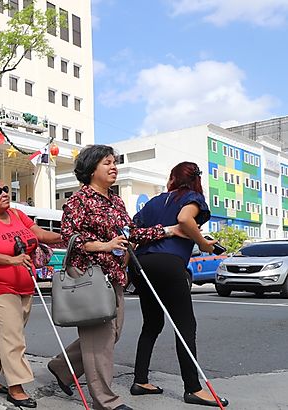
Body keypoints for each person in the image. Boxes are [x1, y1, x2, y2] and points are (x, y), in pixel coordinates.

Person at [47, 144, 182, 410]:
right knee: (100, 341)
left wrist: (170, 230)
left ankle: (62, 366)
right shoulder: (78, 201)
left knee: (112, 334)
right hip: (89, 276)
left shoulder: (116, 201)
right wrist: (104, 245)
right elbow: (70, 237)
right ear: (90, 168)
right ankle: (105, 401)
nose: (113, 167)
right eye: (107, 162)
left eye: (114, 162)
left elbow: (130, 234)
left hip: (114, 276)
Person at [130, 162, 229, 407]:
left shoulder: (153, 202)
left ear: (173, 178)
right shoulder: (193, 197)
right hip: (169, 264)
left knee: (152, 323)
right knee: (185, 325)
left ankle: (140, 380)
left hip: (142, 265)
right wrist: (204, 245)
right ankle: (193, 388)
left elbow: (133, 230)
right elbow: (185, 219)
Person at [0, 179, 62, 408]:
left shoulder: (18, 214)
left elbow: (39, 234)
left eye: (6, 190)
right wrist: (11, 260)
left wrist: (68, 235)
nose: (4, 193)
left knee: (9, 334)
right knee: (13, 337)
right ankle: (16, 387)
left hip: (25, 285)